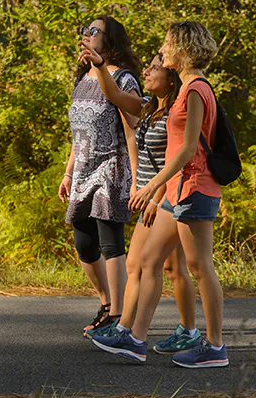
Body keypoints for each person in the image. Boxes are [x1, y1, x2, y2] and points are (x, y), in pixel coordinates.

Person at [93, 21, 229, 368]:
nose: (162, 49)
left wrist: (153, 186)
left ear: (182, 49)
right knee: (150, 260)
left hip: (194, 187)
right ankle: (135, 339)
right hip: (178, 189)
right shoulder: (185, 89)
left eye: (168, 44)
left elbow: (186, 150)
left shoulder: (196, 89)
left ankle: (214, 346)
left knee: (200, 267)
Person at [78, 50, 201, 358]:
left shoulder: (176, 112)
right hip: (150, 194)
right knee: (150, 265)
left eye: (154, 68)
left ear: (170, 78)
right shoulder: (148, 109)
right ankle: (126, 329)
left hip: (166, 195)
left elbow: (175, 160)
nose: (146, 72)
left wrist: (154, 195)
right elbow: (114, 94)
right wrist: (101, 66)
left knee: (163, 267)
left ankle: (150, 334)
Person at [58, 16, 141, 334]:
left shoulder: (123, 79)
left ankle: (117, 316)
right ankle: (107, 302)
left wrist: (136, 179)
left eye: (94, 31)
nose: (86, 35)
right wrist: (68, 173)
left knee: (110, 243)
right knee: (84, 245)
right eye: (84, 31)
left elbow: (132, 130)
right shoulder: (82, 80)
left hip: (112, 169)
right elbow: (78, 133)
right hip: (82, 173)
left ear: (110, 40)